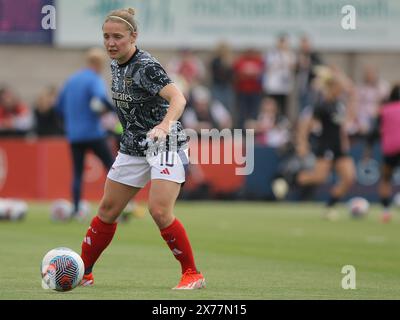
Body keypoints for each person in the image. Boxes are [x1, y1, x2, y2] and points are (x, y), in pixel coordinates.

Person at [79, 8, 205, 290]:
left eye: (118, 37)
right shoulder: (115, 63)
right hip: (133, 146)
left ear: (134, 36)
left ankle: (192, 274)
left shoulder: (146, 65)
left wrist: (164, 125)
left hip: (164, 143)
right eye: (106, 37)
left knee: (159, 210)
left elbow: (178, 98)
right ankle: (83, 272)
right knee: (108, 210)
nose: (111, 43)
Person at [56, 48, 115, 218]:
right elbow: (100, 98)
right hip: (93, 133)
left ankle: (75, 209)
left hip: (74, 135)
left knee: (77, 173)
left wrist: (71, 122)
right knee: (113, 169)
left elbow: (58, 107)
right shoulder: (94, 79)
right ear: (98, 63)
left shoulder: (71, 80)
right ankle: (121, 205)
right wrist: (114, 111)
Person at [293, 68, 356, 220]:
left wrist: (345, 142)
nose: (341, 90)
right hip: (326, 145)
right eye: (338, 88)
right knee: (320, 177)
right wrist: (302, 143)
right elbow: (305, 125)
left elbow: (343, 124)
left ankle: (330, 206)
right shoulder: (322, 105)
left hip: (339, 146)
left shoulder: (338, 105)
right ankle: (294, 179)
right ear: (332, 88)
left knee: (349, 178)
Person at [365, 84, 400, 222]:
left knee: (386, 179)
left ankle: (385, 212)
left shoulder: (384, 110)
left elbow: (374, 131)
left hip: (390, 147)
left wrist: (368, 149)